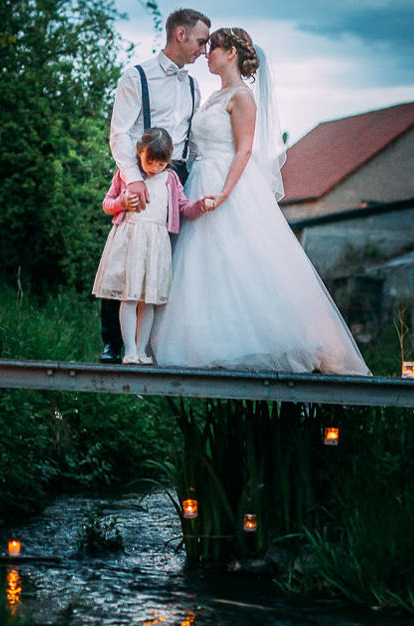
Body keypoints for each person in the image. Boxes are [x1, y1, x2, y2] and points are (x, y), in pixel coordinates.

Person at [151, 27, 371, 376]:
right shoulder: (213, 96)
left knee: (239, 259)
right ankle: (210, 338)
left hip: (228, 180)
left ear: (232, 54)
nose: (207, 54)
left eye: (214, 49)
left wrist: (225, 192)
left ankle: (266, 341)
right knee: (205, 262)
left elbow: (245, 148)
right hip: (201, 179)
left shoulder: (242, 97)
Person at [100, 6, 211, 361]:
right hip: (142, 170)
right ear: (181, 34)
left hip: (177, 175)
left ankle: (150, 344)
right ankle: (113, 343)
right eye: (200, 41)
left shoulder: (193, 84)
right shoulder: (138, 76)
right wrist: (133, 180)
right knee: (127, 256)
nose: (203, 50)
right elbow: (119, 133)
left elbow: (190, 137)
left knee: (162, 261)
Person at [92, 128, 206, 365]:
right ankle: (129, 350)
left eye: (161, 163)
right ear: (139, 153)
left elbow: (184, 207)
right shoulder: (126, 175)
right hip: (130, 241)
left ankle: (142, 350)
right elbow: (107, 203)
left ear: (169, 160)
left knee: (150, 299)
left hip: (156, 243)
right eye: (150, 161)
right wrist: (121, 202)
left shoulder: (171, 179)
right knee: (129, 296)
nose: (155, 167)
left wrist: (200, 206)